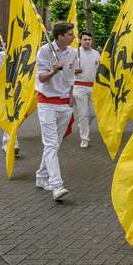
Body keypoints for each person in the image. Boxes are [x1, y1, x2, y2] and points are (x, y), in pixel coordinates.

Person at [35, 21, 76, 201]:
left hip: (64, 104)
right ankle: (57, 185)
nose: (73, 37)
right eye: (70, 34)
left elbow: (71, 77)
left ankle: (41, 177)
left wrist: (71, 97)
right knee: (51, 145)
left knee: (54, 145)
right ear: (60, 36)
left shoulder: (72, 53)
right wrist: (53, 70)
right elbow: (42, 78)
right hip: (47, 104)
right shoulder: (45, 51)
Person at [73, 31, 100, 149]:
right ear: (80, 40)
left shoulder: (96, 53)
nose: (88, 41)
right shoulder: (75, 53)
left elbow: (98, 70)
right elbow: (66, 70)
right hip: (79, 86)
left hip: (93, 86)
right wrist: (74, 71)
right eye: (85, 39)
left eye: (89, 39)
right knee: (83, 113)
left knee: (93, 114)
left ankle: (82, 125)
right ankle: (84, 138)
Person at [0, 47, 21, 157]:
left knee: (16, 117)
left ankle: (11, 140)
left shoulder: (25, 52)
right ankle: (10, 143)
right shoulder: (2, 54)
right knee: (10, 116)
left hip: (21, 90)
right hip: (7, 90)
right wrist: (5, 69)